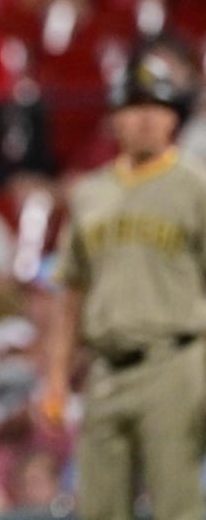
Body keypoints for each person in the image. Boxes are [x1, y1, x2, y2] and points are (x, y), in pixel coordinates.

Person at [42, 47, 206, 520]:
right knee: (99, 508)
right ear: (114, 119)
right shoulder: (90, 193)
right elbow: (70, 293)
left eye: (155, 106)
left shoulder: (195, 186)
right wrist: (55, 377)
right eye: (131, 107)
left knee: (177, 505)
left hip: (175, 361)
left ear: (173, 118)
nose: (143, 119)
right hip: (105, 369)